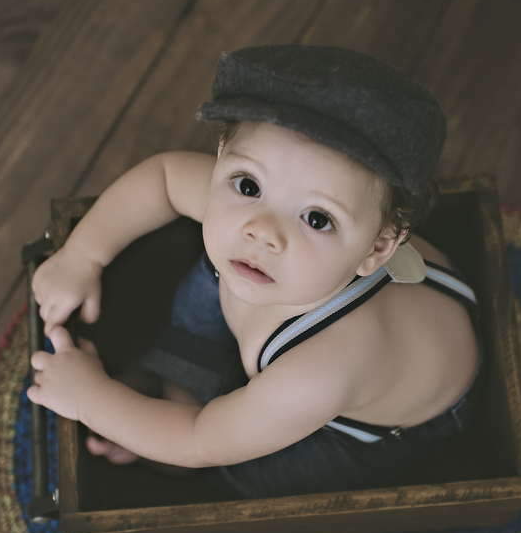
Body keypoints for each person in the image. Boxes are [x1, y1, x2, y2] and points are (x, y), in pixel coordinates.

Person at [27, 45, 482, 499]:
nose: (262, 231)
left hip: (373, 423)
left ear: (378, 247)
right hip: (333, 315)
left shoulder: (319, 373)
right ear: (223, 154)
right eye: (248, 185)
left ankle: (176, 397)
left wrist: (91, 399)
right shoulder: (262, 227)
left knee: (253, 475)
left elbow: (198, 440)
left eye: (317, 218)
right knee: (211, 282)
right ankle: (181, 378)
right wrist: (82, 256)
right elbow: (163, 177)